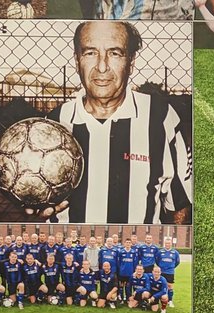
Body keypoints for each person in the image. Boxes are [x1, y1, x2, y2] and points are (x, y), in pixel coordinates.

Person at [34, 21, 192, 224]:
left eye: (115, 53)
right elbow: (38, 208)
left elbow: (179, 205)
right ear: (77, 60)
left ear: (131, 62)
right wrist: (36, 213)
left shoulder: (161, 117)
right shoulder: (52, 125)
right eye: (90, 53)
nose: (101, 66)